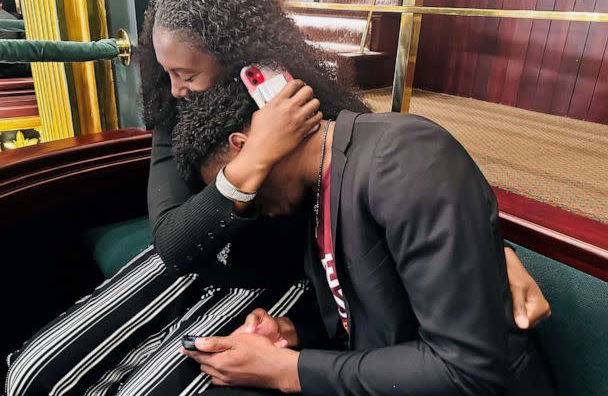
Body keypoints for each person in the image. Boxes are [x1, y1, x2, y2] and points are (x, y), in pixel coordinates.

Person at [4, 0, 549, 396]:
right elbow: (173, 243)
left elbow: (392, 180)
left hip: (283, 270)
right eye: (166, 71)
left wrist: (484, 248)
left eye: (187, 75)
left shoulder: (314, 120)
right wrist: (250, 166)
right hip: (199, 252)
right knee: (31, 374)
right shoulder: (183, 114)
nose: (173, 91)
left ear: (245, 64)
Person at [175, 89, 556, 395]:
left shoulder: (405, 158)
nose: (254, 211)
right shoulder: (320, 183)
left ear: (244, 147)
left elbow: (467, 370)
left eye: (245, 195)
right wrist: (289, 330)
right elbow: (372, 310)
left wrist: (288, 371)